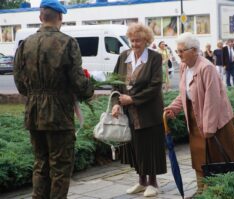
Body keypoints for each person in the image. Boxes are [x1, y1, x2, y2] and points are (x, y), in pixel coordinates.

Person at [13, 0, 94, 198]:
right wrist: (88, 92)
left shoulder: (25, 44)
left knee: (40, 163)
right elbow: (77, 80)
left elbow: (19, 82)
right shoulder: (67, 42)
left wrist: (35, 95)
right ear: (59, 17)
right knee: (60, 167)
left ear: (41, 17)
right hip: (58, 114)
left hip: (33, 112)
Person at [164, 32, 234, 197]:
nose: (178, 54)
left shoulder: (206, 68)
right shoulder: (184, 66)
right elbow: (185, 92)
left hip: (216, 121)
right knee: (199, 157)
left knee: (218, 158)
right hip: (195, 118)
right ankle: (201, 190)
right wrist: (174, 108)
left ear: (194, 50)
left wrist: (210, 128)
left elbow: (213, 100)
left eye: (181, 51)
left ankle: (222, 190)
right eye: (177, 51)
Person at [111, 23, 167, 197]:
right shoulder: (123, 57)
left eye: (139, 41)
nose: (135, 44)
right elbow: (115, 83)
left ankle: (153, 183)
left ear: (147, 41)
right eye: (132, 40)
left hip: (149, 111)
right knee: (135, 146)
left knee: (150, 146)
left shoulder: (155, 58)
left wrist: (133, 99)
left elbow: (155, 85)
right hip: (129, 112)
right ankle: (141, 182)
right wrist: (116, 103)